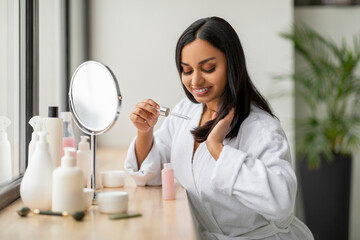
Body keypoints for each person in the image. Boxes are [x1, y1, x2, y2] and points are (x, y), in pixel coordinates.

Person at [125, 16, 314, 240]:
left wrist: (217, 148)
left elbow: (281, 203)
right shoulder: (186, 111)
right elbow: (152, 174)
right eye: (187, 70)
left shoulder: (261, 128)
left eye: (208, 68)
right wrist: (144, 131)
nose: (195, 81)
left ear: (231, 64)